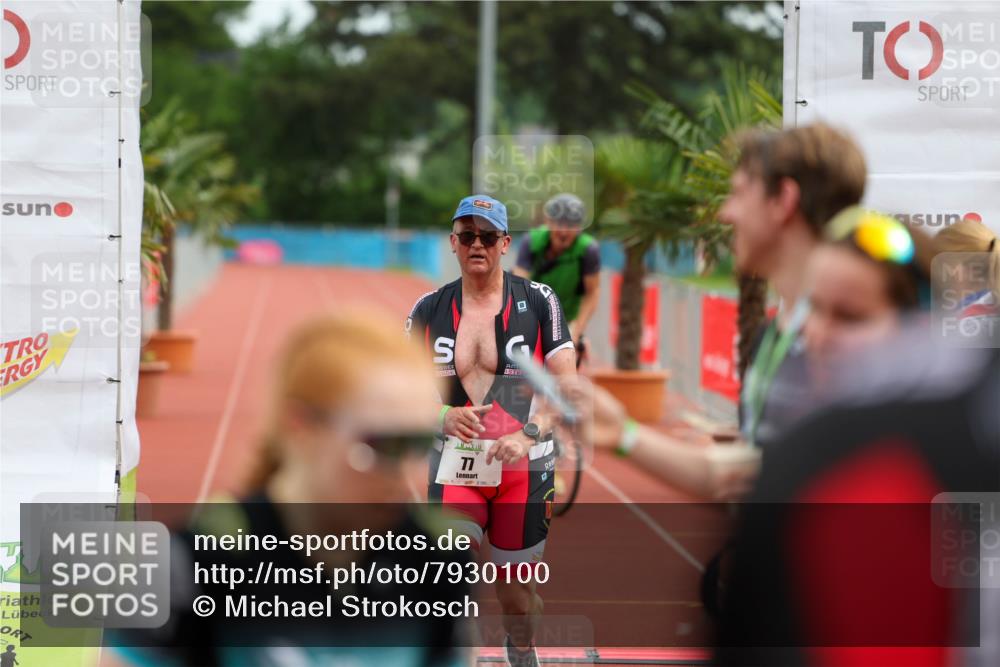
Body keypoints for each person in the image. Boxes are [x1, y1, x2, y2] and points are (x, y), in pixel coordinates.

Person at [109, 314, 472, 667]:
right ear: (299, 426)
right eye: (383, 445)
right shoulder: (193, 563)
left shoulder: (439, 560)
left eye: (421, 444)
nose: (405, 472)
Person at [406, 194, 577, 667]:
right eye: (466, 236)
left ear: (504, 243)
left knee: (515, 597)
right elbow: (400, 386)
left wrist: (530, 432)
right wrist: (441, 416)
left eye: (486, 236)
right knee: (446, 579)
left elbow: (568, 385)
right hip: (454, 466)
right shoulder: (428, 309)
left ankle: (520, 648)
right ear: (453, 244)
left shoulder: (539, 301)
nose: (476, 244)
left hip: (523, 469)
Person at [513, 193, 600, 366]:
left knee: (566, 374)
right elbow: (518, 286)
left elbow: (592, 293)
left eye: (572, 225)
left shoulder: (588, 250)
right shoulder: (531, 241)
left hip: (566, 320)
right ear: (548, 222)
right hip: (533, 317)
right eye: (559, 223)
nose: (564, 231)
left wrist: (577, 331)